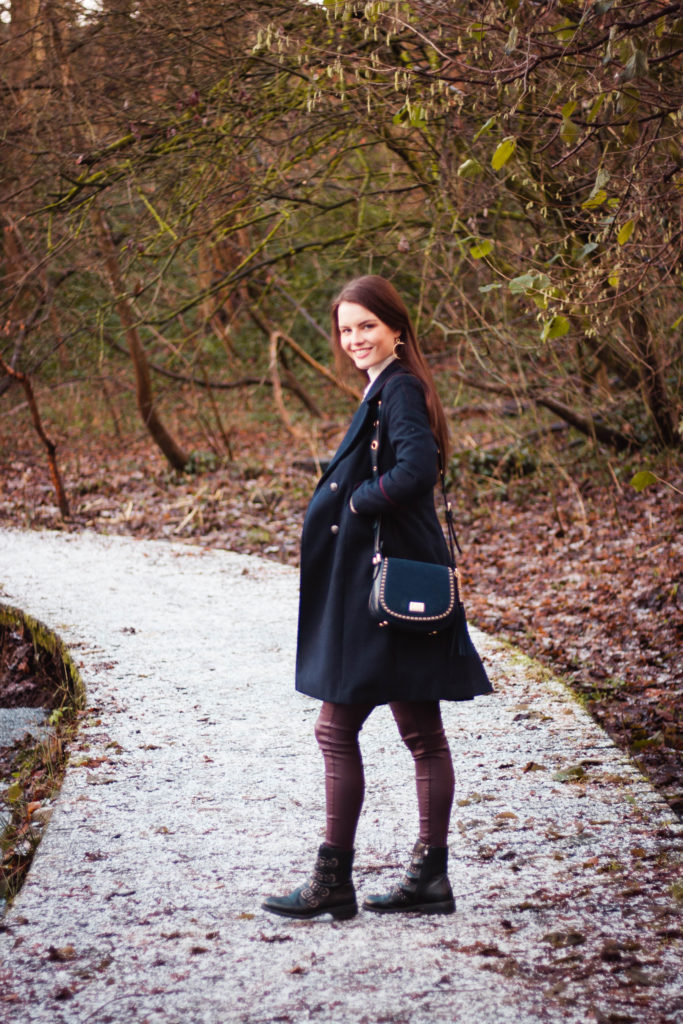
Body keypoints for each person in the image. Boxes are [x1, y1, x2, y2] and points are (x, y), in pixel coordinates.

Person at [262, 275, 492, 921]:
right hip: (392, 583)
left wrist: (360, 503)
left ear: (396, 328)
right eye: (346, 329)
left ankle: (334, 881)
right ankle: (427, 879)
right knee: (421, 735)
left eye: (367, 325)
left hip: (387, 588)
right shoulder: (386, 388)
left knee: (337, 729)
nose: (355, 339)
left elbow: (418, 469)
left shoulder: (400, 389)